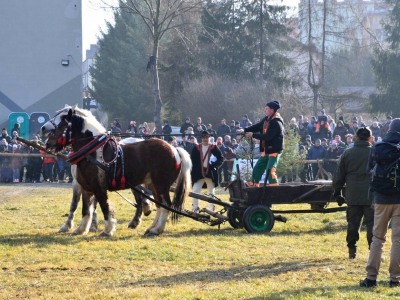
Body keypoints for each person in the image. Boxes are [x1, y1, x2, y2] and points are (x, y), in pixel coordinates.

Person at [360, 118, 400, 288]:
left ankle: (371, 278)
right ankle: (395, 279)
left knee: (378, 238)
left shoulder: (378, 146)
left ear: (389, 129)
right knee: (398, 239)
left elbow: (368, 170)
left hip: (381, 198)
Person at [332, 127, 374, 260]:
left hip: (353, 195)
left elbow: (339, 176)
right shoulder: (374, 153)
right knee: (372, 225)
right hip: (371, 195)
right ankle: (373, 252)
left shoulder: (347, 153)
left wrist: (337, 192)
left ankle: (352, 251)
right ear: (370, 138)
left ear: (356, 137)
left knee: (353, 224)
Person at [238, 100, 284, 187]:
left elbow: (267, 137)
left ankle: (274, 189)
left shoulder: (276, 122)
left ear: (272, 110)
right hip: (267, 149)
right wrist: (244, 130)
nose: (264, 110)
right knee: (257, 168)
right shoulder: (266, 120)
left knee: (270, 170)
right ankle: (254, 186)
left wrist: (253, 135)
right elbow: (257, 126)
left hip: (274, 150)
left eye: (266, 109)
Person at [190, 131, 224, 212]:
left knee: (211, 192)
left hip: (210, 173)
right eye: (203, 137)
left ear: (209, 138)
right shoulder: (196, 148)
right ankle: (195, 208)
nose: (205, 139)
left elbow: (221, 158)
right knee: (195, 190)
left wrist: (214, 165)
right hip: (199, 173)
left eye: (207, 137)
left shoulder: (214, 147)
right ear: (201, 138)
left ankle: (211, 208)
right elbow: (192, 161)